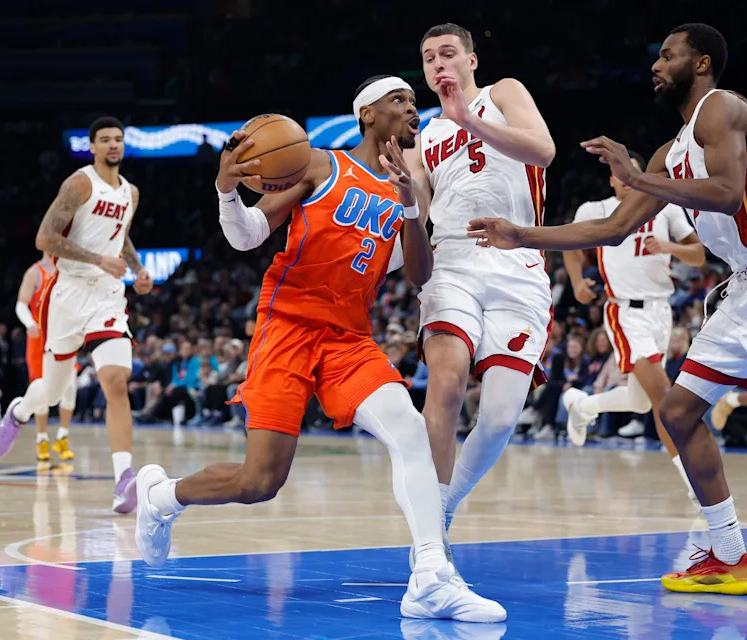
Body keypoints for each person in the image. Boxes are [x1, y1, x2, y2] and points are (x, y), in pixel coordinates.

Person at [468, 23, 747, 596]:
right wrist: (520, 233)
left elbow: (729, 192)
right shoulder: (667, 152)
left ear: (701, 63)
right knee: (678, 414)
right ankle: (729, 554)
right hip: (743, 287)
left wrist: (635, 177)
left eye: (667, 55)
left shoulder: (722, 107)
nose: (655, 64)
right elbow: (611, 228)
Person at [132, 76, 505, 622]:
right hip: (288, 327)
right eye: (399, 101)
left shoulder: (411, 186)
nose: (412, 109)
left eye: (413, 101)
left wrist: (408, 209)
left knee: (408, 430)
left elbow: (418, 272)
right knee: (260, 482)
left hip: (349, 337)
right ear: (367, 116)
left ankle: (431, 576)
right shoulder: (319, 165)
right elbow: (247, 235)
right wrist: (226, 191)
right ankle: (162, 498)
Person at [406, 22, 556, 572]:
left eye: (448, 54)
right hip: (453, 265)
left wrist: (469, 120)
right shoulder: (422, 134)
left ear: (471, 61)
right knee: (444, 385)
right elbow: (417, 209)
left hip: (517, 264)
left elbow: (543, 151)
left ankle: (443, 506)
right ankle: (428, 532)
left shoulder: (504, 93)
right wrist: (402, 188)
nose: (438, 65)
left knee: (497, 417)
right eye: (428, 58)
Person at [0, 116, 154, 513]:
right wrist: (99, 259)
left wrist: (136, 267)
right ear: (92, 146)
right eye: (105, 140)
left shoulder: (130, 193)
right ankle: (19, 411)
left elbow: (122, 236)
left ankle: (124, 478)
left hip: (107, 298)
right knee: (51, 390)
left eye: (118, 139)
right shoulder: (78, 184)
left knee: (115, 381)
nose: (113, 146)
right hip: (68, 295)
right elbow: (44, 238)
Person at [562, 151, 705, 502]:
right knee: (664, 397)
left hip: (662, 313)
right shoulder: (594, 211)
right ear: (611, 179)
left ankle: (583, 407)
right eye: (617, 173)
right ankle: (694, 485)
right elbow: (570, 246)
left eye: (630, 172)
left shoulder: (665, 207)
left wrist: (670, 245)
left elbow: (699, 255)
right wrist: (578, 281)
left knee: (641, 403)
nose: (623, 178)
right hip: (625, 313)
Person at [15, 252, 77, 462]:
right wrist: (29, 323)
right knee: (42, 388)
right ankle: (42, 439)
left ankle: (63, 436)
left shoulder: (70, 270)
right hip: (40, 338)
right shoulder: (35, 272)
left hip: (64, 334)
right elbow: (21, 303)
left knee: (70, 387)